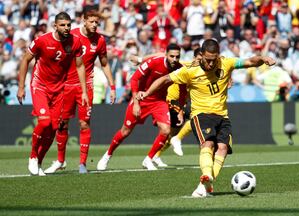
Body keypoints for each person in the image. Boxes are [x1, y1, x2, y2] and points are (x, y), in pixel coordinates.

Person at [137, 39, 275, 197]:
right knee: (208, 143)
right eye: (208, 60)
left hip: (223, 115)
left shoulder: (226, 63)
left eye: (214, 60)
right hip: (201, 114)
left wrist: (263, 58)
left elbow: (250, 61)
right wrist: (147, 93)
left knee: (222, 148)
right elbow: (164, 79)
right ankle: (206, 176)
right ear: (201, 55)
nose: (211, 64)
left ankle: (205, 184)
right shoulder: (189, 71)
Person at [43, 10, 116, 174]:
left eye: (97, 22)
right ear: (84, 21)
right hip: (65, 86)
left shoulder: (100, 41)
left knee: (84, 123)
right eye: (92, 22)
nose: (95, 25)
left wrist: (112, 87)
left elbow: (104, 64)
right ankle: (60, 160)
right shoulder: (71, 35)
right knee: (62, 124)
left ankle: (82, 163)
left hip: (85, 86)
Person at [17, 12, 87, 176]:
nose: (66, 28)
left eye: (68, 25)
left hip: (59, 89)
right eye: (62, 25)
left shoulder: (75, 42)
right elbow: (25, 60)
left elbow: (80, 66)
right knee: (45, 122)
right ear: (55, 26)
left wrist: (84, 90)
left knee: (54, 128)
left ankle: (39, 162)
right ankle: (33, 156)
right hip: (40, 85)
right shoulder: (42, 40)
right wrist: (21, 87)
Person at [96, 43, 183, 171]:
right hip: (141, 99)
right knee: (125, 131)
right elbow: (134, 79)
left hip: (159, 102)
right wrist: (136, 102)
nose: (174, 59)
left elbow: (183, 89)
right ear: (166, 55)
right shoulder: (154, 62)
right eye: (172, 56)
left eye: (177, 57)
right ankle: (107, 155)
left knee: (165, 130)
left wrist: (180, 109)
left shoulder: (180, 69)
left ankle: (148, 160)